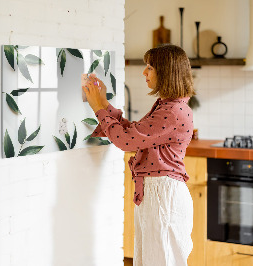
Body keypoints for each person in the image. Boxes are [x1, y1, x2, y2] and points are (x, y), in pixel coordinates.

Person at [83, 44, 195, 266]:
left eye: (150, 67)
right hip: (158, 193)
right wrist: (104, 103)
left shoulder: (172, 111)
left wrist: (98, 108)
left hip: (163, 195)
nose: (144, 72)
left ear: (166, 72)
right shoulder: (168, 106)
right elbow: (134, 133)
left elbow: (126, 141)